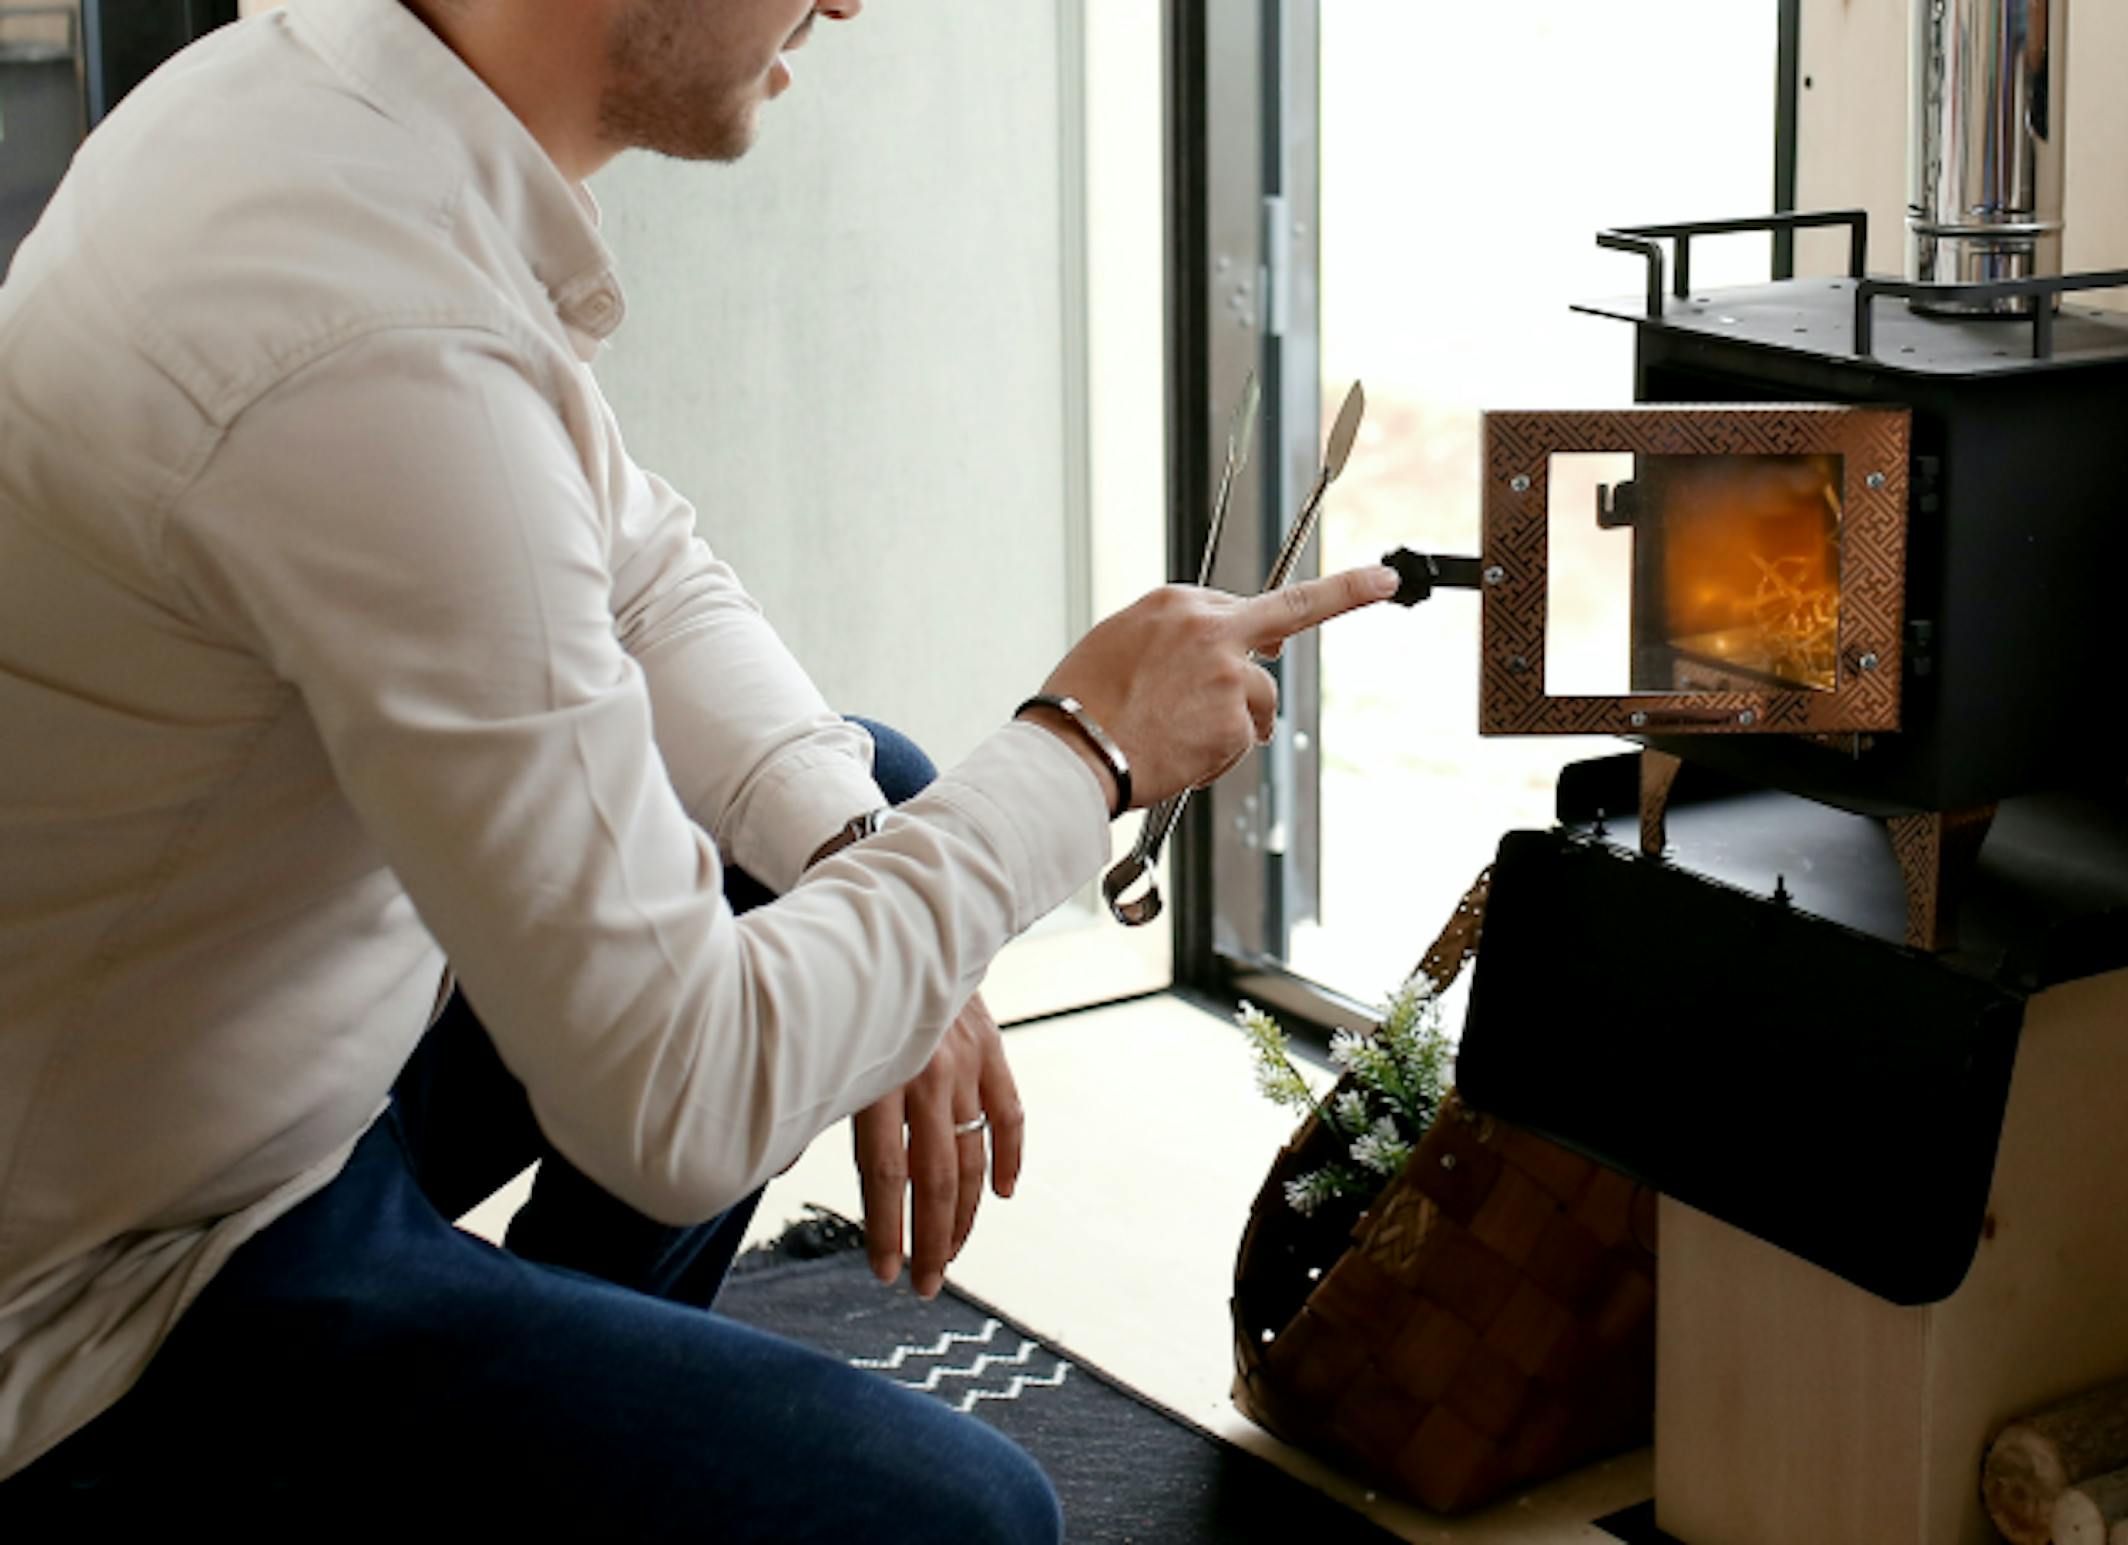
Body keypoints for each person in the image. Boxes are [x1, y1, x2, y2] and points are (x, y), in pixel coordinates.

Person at [0, 0, 1397, 1533]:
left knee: (859, 795)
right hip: (119, 1306)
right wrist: (1087, 749)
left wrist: (876, 853)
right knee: (968, 1521)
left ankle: (550, 1425)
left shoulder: (319, 115)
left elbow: (635, 565)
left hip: (227, 1081)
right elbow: (677, 1094)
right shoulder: (383, 340)